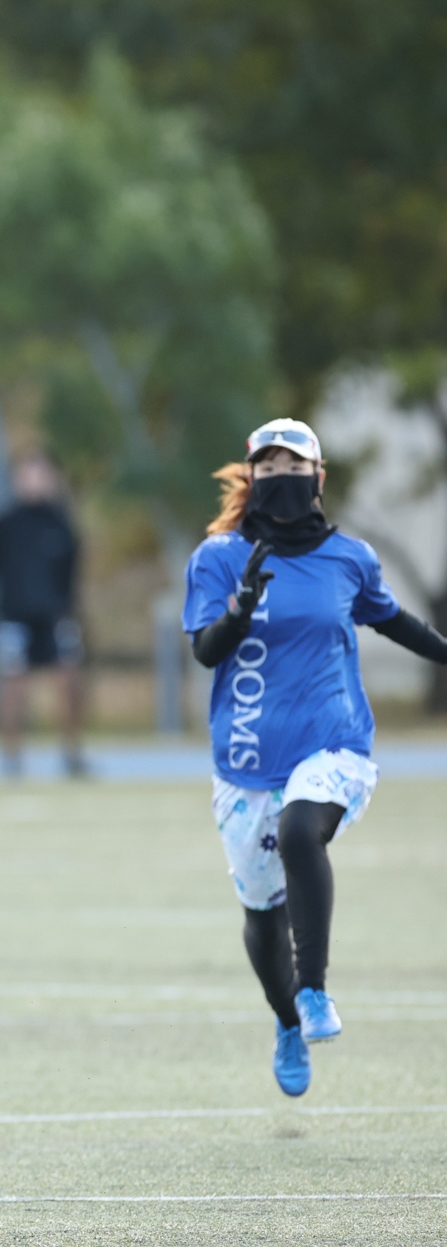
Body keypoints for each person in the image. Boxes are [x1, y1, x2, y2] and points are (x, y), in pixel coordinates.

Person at [183, 418, 447, 1099]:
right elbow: (207, 651)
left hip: (333, 743)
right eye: (268, 470)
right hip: (245, 763)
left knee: (303, 830)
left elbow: (391, 619)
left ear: (318, 479)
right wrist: (239, 611)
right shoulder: (217, 558)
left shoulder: (350, 558)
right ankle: (287, 1021)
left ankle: (314, 989)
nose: (282, 480)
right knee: (261, 916)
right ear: (252, 479)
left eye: (293, 468)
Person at [0, 453, 86, 777]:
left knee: (68, 681)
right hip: (14, 616)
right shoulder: (3, 523)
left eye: (42, 475)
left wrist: (72, 614)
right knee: (13, 685)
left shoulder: (61, 523)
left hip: (54, 617)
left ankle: (71, 755)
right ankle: (11, 758)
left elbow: (71, 575)